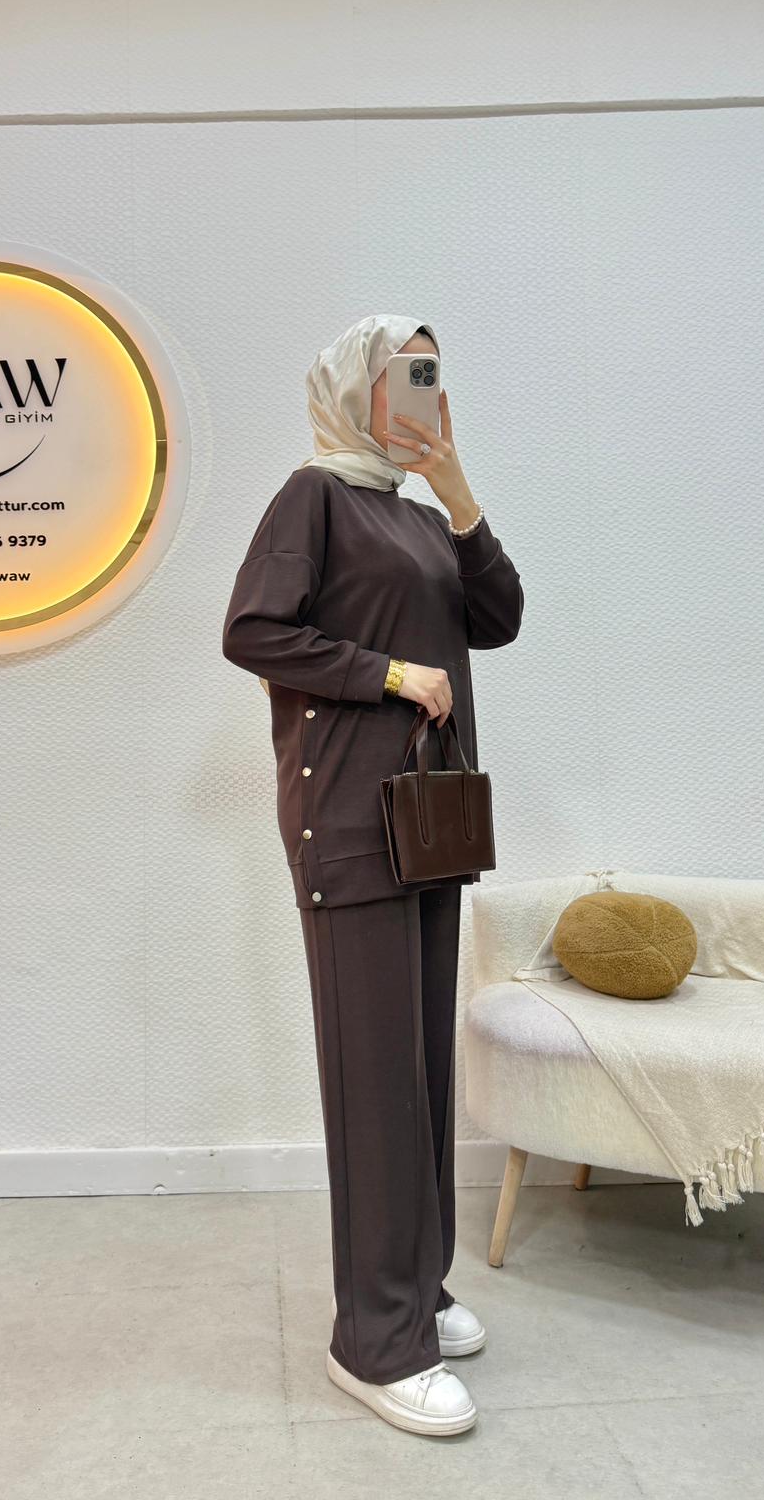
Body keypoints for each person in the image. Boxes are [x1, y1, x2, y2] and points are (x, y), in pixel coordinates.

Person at [222, 314, 524, 1437]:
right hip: (350, 821)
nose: (423, 396)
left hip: (426, 823)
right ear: (357, 386)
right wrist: (389, 672)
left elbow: (499, 617)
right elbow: (253, 630)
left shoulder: (417, 513)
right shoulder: (314, 498)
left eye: (432, 378)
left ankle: (417, 1289)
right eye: (406, 375)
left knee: (419, 1074)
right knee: (374, 1081)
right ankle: (374, 1343)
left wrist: (457, 488)